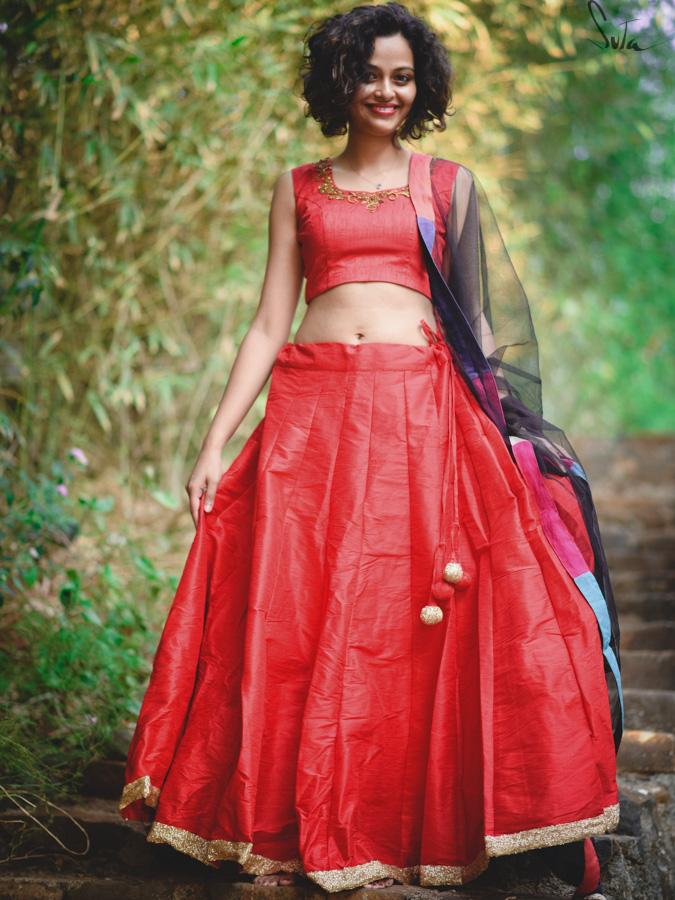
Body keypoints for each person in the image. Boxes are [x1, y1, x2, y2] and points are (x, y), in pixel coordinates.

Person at [117, 4, 622, 896]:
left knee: (400, 617)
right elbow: (270, 319)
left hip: (418, 419)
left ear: (418, 85)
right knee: (297, 608)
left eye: (401, 75)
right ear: (339, 82)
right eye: (369, 74)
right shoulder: (298, 187)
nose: (386, 90)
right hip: (309, 416)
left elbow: (479, 329)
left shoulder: (446, 185)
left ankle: (410, 821)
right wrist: (213, 441)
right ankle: (283, 817)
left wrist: (496, 440)